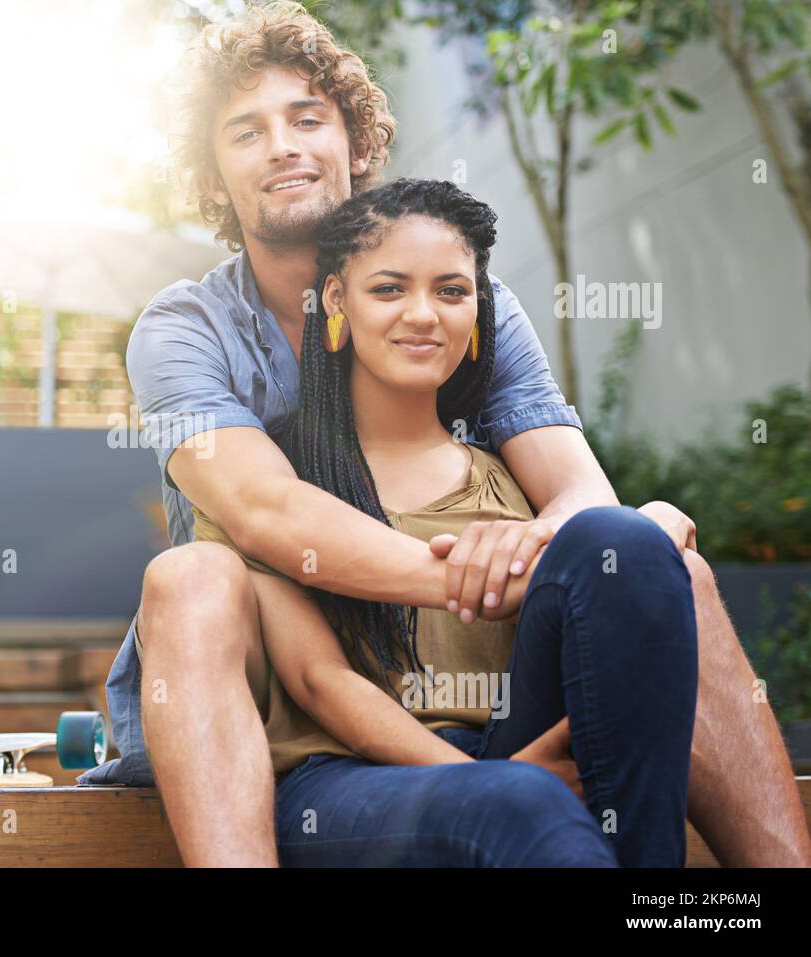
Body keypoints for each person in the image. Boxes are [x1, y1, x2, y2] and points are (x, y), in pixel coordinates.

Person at [76, 1, 811, 870]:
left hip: (492, 698)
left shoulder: (469, 306)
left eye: (307, 118)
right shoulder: (187, 330)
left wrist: (607, 545)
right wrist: (481, 572)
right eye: (246, 131)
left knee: (658, 558)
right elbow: (270, 513)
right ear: (214, 171)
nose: (281, 144)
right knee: (193, 572)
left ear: (356, 143)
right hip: (285, 705)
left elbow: (580, 494)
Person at [190, 175, 700, 866]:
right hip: (346, 781)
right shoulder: (278, 482)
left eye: (452, 291)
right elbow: (319, 681)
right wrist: (489, 778)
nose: (424, 314)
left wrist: (653, 529)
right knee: (523, 802)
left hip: (511, 748)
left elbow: (601, 598)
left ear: (478, 310)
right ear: (336, 302)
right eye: (390, 288)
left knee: (623, 535)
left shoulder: (517, 477)